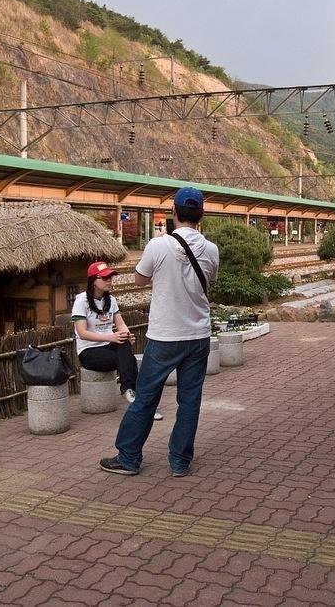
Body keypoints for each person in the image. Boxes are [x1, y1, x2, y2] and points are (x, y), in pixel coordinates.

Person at [100, 187, 219, 477]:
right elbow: (210, 281)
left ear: (174, 213)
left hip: (165, 337)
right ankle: (180, 462)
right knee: (190, 400)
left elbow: (140, 280)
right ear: (200, 215)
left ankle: (128, 458)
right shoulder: (212, 249)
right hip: (198, 336)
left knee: (146, 397)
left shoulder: (158, 245)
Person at [72, 261, 162, 418]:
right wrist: (110, 336)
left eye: (110, 278)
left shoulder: (111, 300)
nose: (109, 281)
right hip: (89, 351)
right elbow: (82, 333)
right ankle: (138, 399)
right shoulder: (81, 301)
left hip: (108, 345)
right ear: (94, 280)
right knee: (129, 361)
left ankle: (130, 392)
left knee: (124, 344)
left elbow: (120, 324)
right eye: (105, 278)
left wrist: (127, 334)